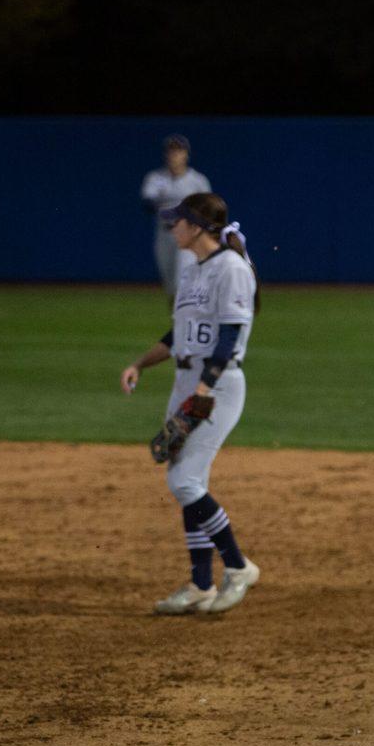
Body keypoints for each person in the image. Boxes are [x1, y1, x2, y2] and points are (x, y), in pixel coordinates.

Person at [119, 192, 260, 615]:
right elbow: (178, 333)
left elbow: (231, 336)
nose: (171, 227)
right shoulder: (193, 270)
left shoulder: (232, 269)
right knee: (183, 478)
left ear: (197, 227)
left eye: (177, 221)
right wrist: (140, 364)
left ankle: (237, 567)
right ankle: (201, 584)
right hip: (186, 382)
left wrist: (203, 390)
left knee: (184, 482)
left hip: (215, 386)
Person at [140, 135, 212, 297]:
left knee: (182, 282)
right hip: (165, 235)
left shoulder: (197, 181)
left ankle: (185, 320)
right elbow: (147, 202)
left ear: (186, 154)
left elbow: (209, 208)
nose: (174, 155)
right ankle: (178, 320)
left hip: (189, 238)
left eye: (179, 151)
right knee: (171, 287)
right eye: (171, 151)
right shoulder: (156, 178)